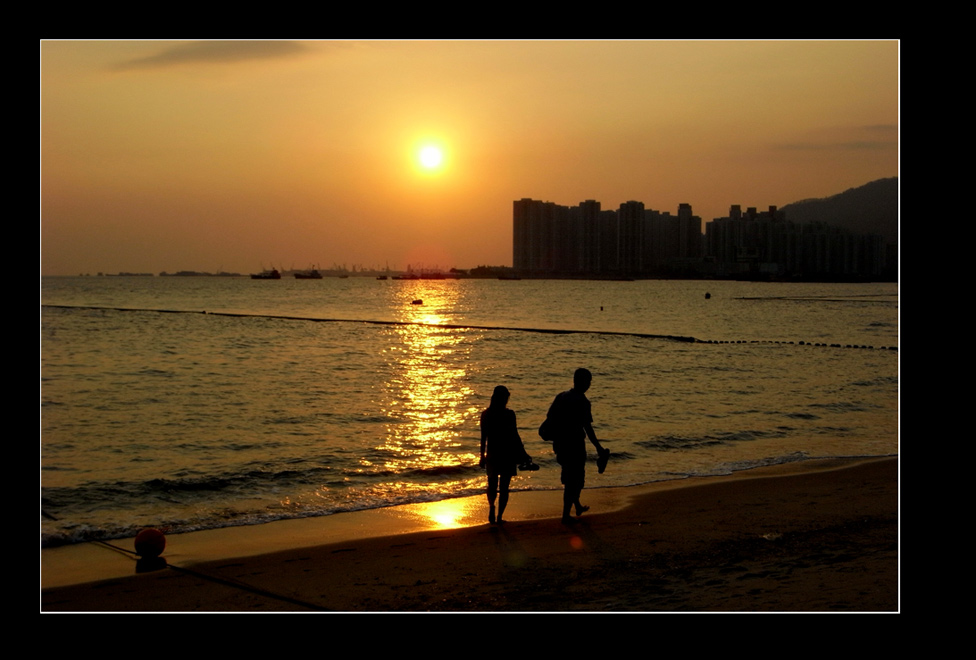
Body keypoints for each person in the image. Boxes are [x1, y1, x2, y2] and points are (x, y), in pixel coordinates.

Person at [544, 368, 610, 524]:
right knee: (576, 480)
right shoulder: (582, 401)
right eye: (588, 382)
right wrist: (598, 448)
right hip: (575, 445)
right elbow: (587, 427)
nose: (589, 385)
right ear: (582, 382)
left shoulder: (561, 397)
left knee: (569, 478)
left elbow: (549, 417)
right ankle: (566, 516)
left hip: (560, 444)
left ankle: (577, 507)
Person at [480, 385, 534, 525]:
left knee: (493, 485)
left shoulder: (487, 414)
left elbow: (483, 438)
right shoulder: (509, 414)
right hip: (506, 454)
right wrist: (523, 453)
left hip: (494, 453)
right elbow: (515, 436)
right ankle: (498, 516)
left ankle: (493, 509)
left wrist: (482, 456)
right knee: (503, 487)